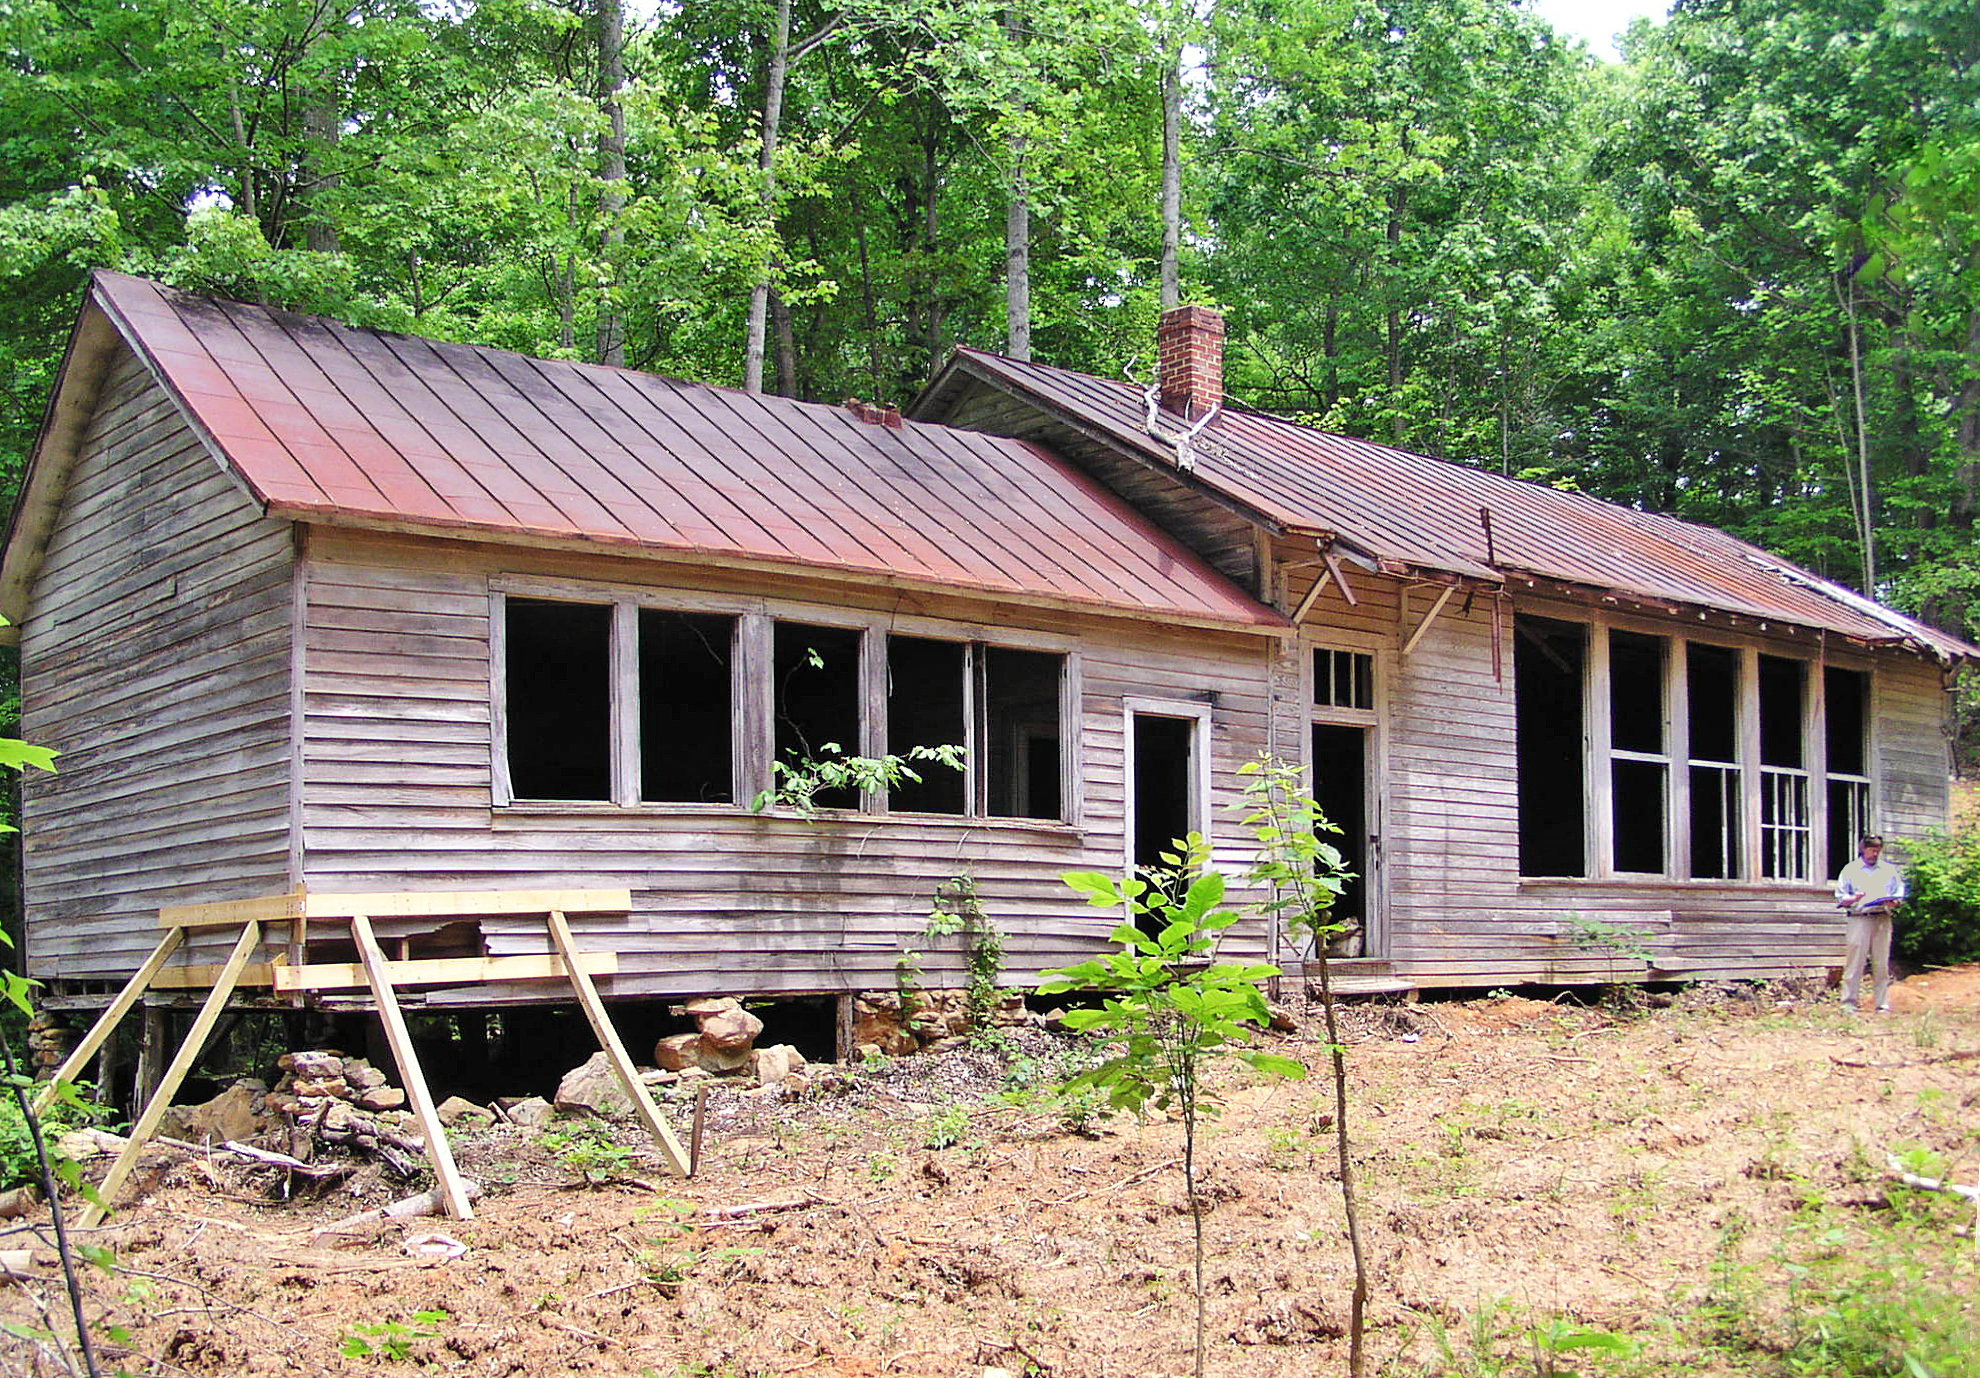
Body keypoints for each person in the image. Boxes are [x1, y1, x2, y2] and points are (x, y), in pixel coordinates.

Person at [1833, 834, 1905, 1013]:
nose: (1874, 854)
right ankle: (1848, 1003)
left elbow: (1899, 893)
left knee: (1881, 964)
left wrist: (1894, 902)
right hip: (1859, 918)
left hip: (1882, 918)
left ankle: (1882, 1004)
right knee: (1855, 962)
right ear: (1863, 849)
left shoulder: (1888, 870)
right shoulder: (1850, 870)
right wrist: (1854, 898)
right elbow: (1840, 898)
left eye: (1877, 850)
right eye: (1871, 850)